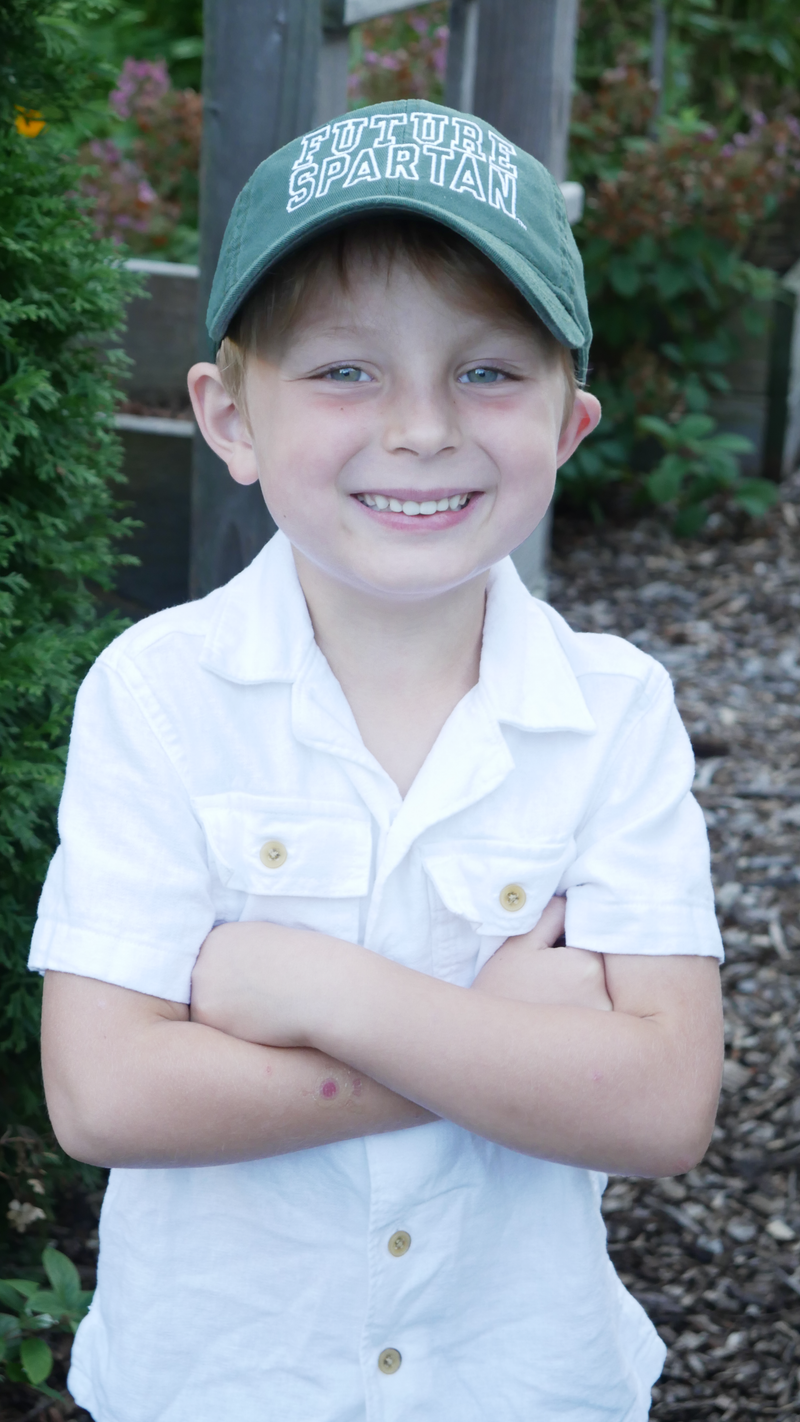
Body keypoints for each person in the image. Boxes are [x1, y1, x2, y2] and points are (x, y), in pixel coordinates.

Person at [33, 99, 724, 1421]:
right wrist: (506, 1051)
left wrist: (311, 985)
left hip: (522, 1384)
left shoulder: (614, 711)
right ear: (229, 418)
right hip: (221, 1384)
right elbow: (107, 1090)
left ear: (569, 427)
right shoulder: (161, 696)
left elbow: (659, 1106)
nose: (421, 428)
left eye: (487, 371)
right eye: (346, 370)